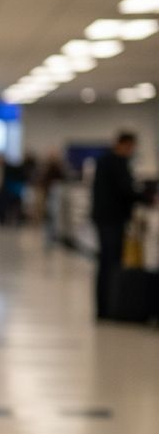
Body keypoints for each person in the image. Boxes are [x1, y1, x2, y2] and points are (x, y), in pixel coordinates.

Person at [91, 131, 140, 320]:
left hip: (104, 218)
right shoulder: (117, 163)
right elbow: (126, 190)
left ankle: (105, 307)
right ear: (123, 144)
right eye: (131, 147)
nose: (132, 151)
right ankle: (110, 307)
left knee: (106, 262)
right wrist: (145, 197)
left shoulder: (104, 161)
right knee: (111, 263)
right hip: (112, 220)